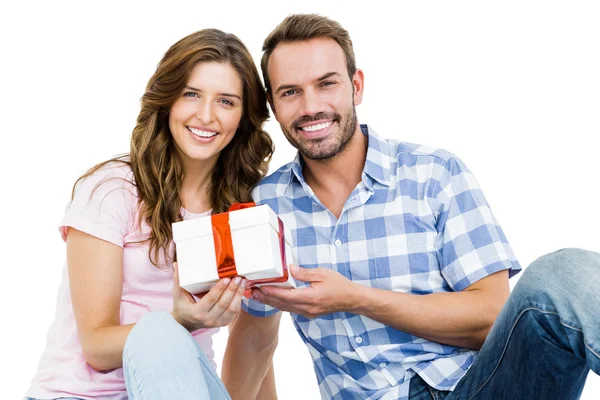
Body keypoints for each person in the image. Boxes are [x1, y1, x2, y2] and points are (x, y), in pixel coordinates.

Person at [226, 13, 600, 400]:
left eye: (327, 84)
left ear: (356, 86)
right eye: (291, 92)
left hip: (476, 390)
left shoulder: (434, 174)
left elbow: (492, 317)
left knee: (561, 272)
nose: (311, 106)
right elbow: (255, 340)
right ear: (273, 103)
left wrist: (355, 298)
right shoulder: (265, 208)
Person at [25, 28, 279, 400]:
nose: (206, 115)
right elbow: (95, 347)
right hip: (78, 395)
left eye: (226, 101)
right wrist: (181, 321)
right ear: (169, 100)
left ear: (243, 115)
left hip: (182, 390)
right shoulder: (112, 189)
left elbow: (258, 347)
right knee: (159, 329)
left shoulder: (245, 208)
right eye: (192, 94)